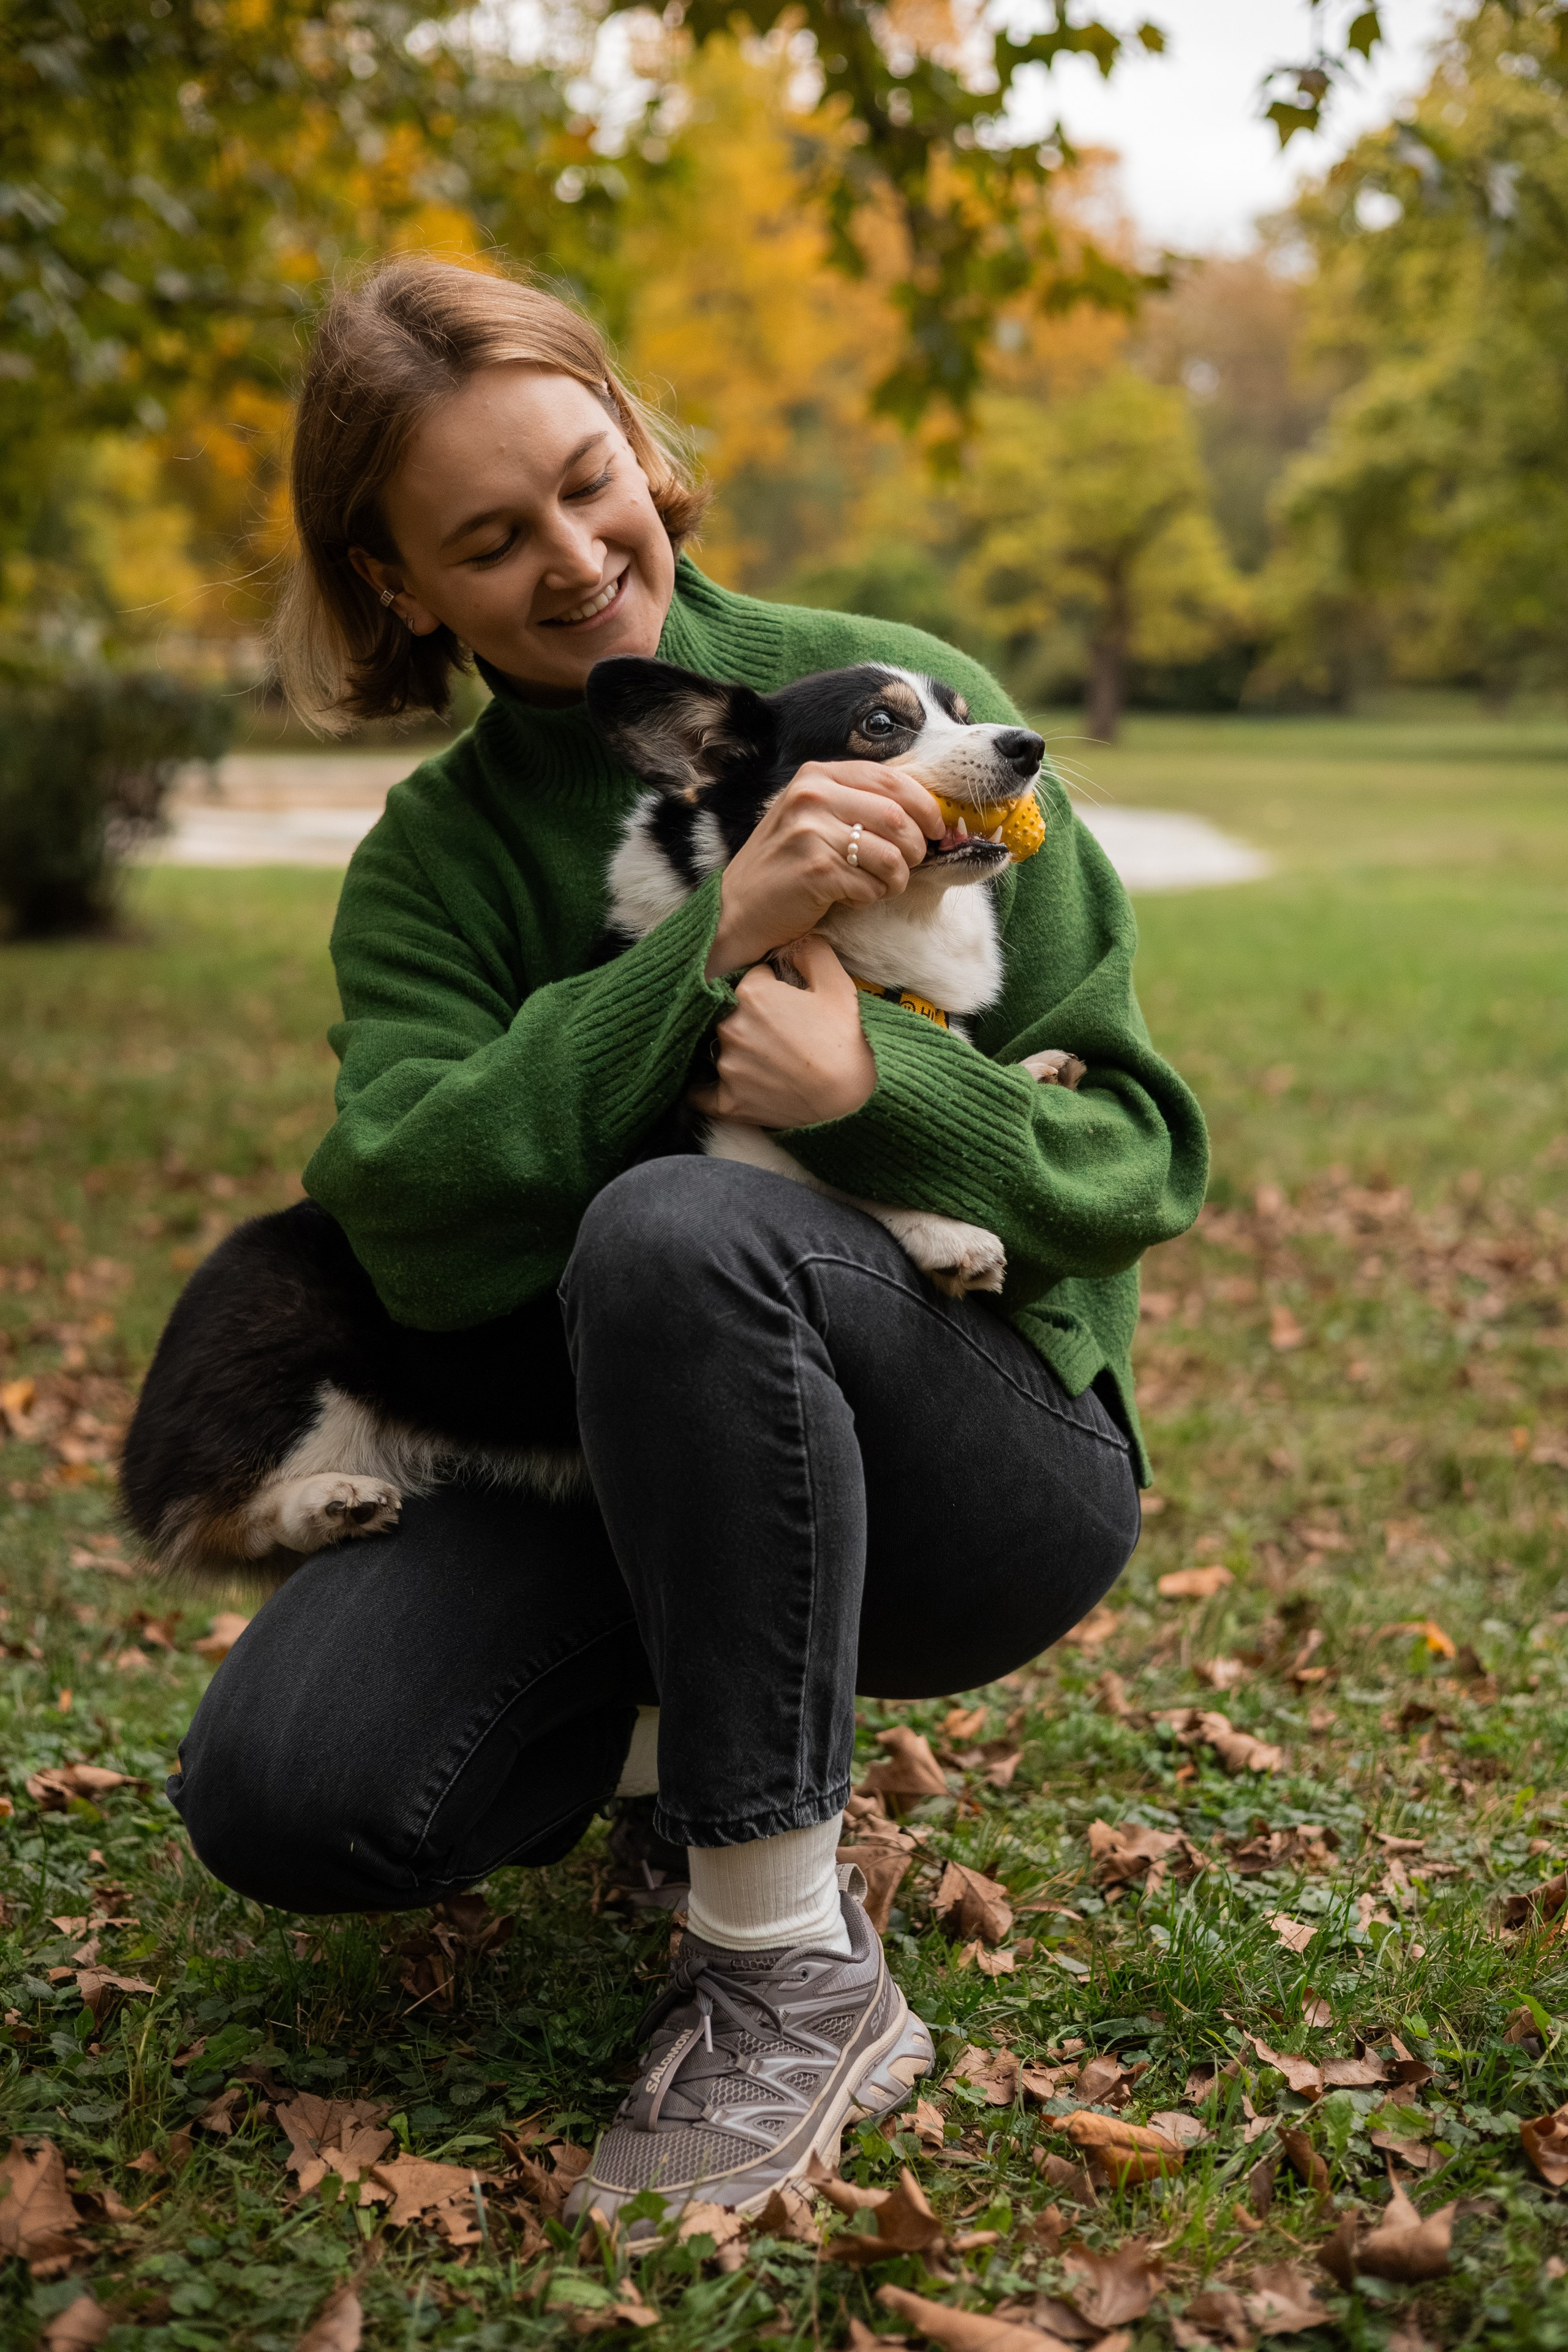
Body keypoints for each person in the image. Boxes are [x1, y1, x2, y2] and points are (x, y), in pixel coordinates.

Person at [168, 254, 1207, 2228]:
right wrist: (708, 962)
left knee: (675, 1226)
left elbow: (1145, 1164)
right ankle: (691, 1737)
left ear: (641, 442)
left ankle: (783, 1960)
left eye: (587, 478)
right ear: (400, 589)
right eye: (487, 537)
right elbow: (406, 1215)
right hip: (591, 1481)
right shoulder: (430, 871)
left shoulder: (901, 694)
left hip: (979, 1466)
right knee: (291, 1792)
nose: (572, 556)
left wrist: (891, 1094)